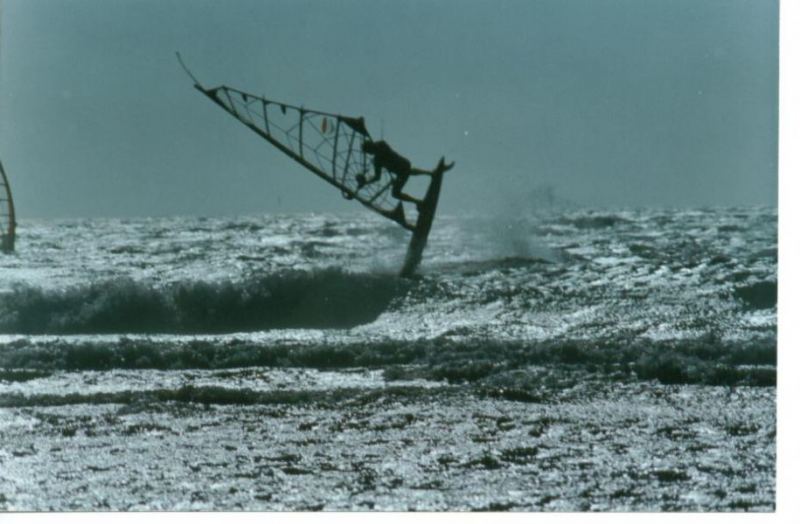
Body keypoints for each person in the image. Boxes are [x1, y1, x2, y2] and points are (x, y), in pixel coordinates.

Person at [356, 139, 433, 206]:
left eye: (369, 151)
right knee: (408, 172)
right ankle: (430, 173)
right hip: (403, 167)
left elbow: (377, 176)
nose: (369, 154)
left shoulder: (381, 147)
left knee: (395, 193)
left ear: (370, 148)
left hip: (402, 168)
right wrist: (366, 182)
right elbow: (377, 177)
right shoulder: (378, 157)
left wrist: (365, 182)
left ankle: (419, 202)